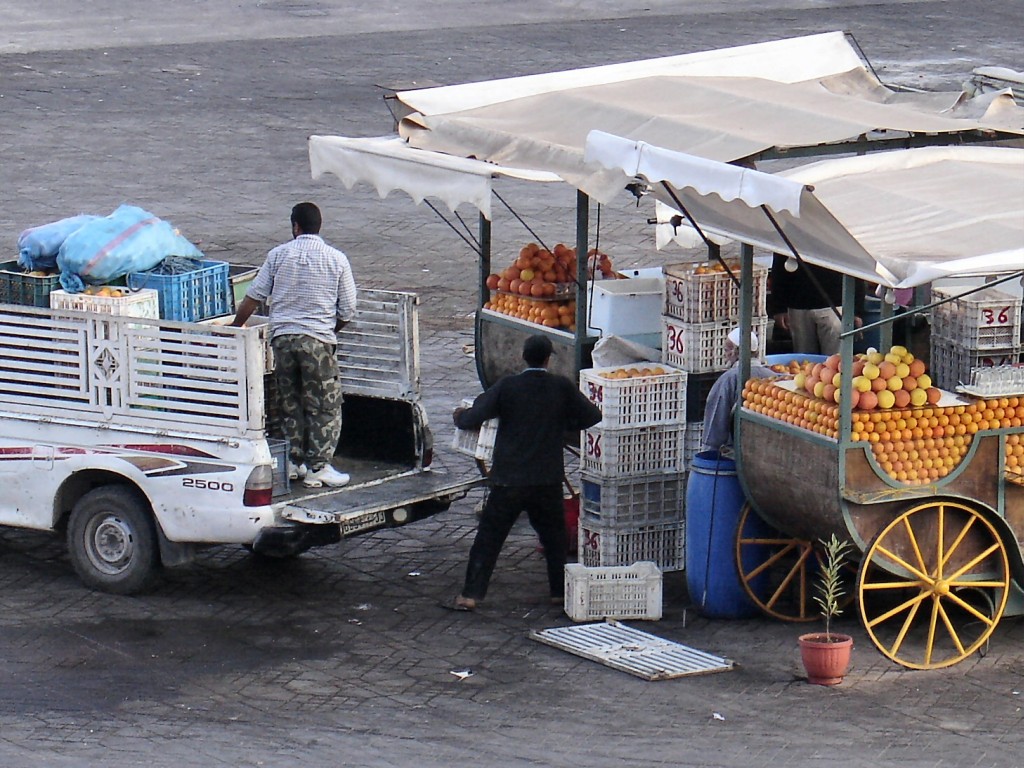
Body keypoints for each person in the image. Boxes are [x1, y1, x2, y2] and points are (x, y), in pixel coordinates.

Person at [451, 334, 603, 611]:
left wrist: (460, 416)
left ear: (524, 357)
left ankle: (470, 595)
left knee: (489, 538)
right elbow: (593, 416)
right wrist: (563, 424)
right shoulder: (561, 387)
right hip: (547, 479)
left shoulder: (508, 386)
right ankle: (559, 593)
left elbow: (474, 416)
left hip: (509, 479)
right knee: (554, 540)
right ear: (548, 359)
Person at [232, 202, 358, 488]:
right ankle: (319, 466)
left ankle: (293, 462)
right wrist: (328, 331)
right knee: (324, 405)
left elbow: (254, 297)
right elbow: (348, 309)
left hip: (283, 341)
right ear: (318, 226)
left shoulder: (278, 255)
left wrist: (234, 328)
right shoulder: (337, 259)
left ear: (295, 227)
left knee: (290, 402)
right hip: (318, 341)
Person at [769, 254, 864, 355]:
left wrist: (857, 310)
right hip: (798, 304)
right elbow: (779, 263)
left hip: (834, 305)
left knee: (834, 361)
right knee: (804, 361)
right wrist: (778, 307)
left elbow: (855, 264)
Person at [700, 327, 775, 455]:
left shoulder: (729, 379)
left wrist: (707, 455)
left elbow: (715, 428)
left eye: (726, 350)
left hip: (737, 454)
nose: (725, 354)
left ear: (733, 352)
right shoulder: (773, 377)